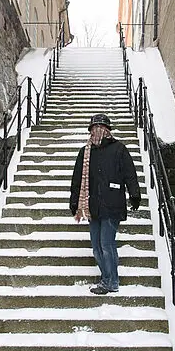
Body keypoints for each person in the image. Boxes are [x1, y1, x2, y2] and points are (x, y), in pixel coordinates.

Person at [69, 113, 141, 294]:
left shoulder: (119, 149)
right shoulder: (86, 152)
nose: (97, 132)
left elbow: (129, 173)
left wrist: (134, 194)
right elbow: (77, 179)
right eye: (94, 129)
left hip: (112, 204)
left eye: (100, 128)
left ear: (108, 130)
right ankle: (106, 278)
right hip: (93, 207)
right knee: (96, 246)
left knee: (106, 244)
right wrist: (74, 201)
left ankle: (111, 281)